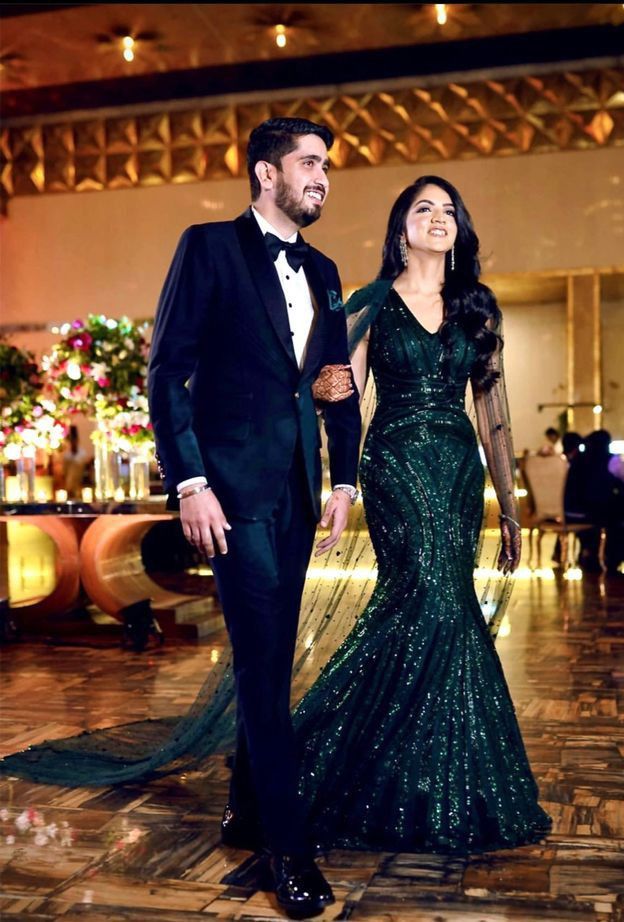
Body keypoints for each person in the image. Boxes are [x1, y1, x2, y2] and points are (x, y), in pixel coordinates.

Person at [291, 175, 552, 855]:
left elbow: (494, 417)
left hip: (460, 470)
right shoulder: (372, 301)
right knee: (429, 600)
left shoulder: (476, 309)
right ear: (400, 226)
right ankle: (336, 754)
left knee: (441, 604)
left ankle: (428, 776)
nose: (436, 218)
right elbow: (340, 399)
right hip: (396, 463)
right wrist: (337, 479)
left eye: (447, 211)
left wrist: (512, 510)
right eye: (422, 209)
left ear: (460, 229)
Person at [147, 117, 361, 918]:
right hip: (229, 493)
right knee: (266, 665)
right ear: (266, 173)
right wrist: (189, 481)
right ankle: (290, 848)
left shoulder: (326, 269)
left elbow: (336, 380)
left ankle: (244, 806)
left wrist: (343, 480)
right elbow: (168, 372)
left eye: (327, 167)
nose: (322, 178)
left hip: (301, 493)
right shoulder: (207, 247)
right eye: (309, 163)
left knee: (268, 656)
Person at [564, 429, 624, 571]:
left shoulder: (577, 460)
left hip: (570, 511)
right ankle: (613, 556)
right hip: (591, 512)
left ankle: (589, 551)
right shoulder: (611, 460)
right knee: (620, 514)